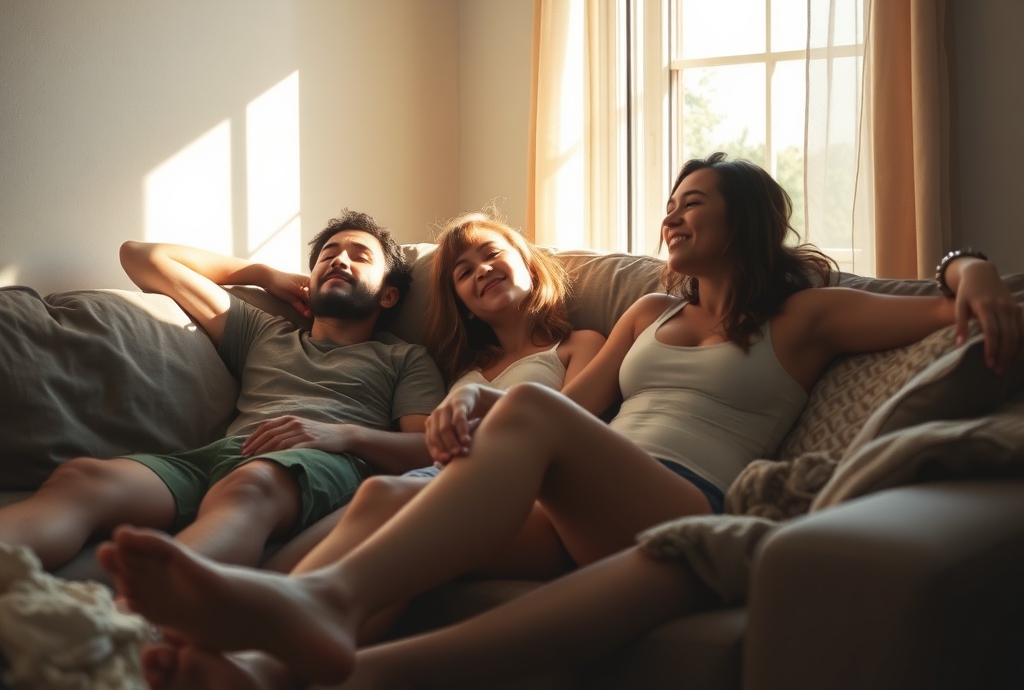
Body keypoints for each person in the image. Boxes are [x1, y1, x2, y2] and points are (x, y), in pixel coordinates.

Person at [97, 153, 1023, 690]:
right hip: (590, 501)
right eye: (670, 206)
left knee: (518, 414)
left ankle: (321, 604)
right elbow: (573, 414)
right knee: (381, 498)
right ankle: (258, 666)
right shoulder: (648, 312)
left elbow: (944, 305)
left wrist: (971, 266)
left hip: (681, 495)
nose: (671, 218)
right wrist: (475, 406)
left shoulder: (804, 314)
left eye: (692, 203)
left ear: (745, 219)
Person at [0, 209, 446, 571]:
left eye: (360, 256)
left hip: (320, 464)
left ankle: (131, 628)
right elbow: (139, 256)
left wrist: (342, 435)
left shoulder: (404, 358)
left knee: (249, 486)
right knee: (84, 478)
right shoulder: (263, 333)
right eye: (328, 254)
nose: (339, 260)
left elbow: (428, 450)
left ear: (388, 295)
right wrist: (264, 274)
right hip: (223, 456)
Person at [262, 210, 605, 575]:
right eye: (464, 273)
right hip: (440, 479)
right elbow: (429, 444)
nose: (482, 270)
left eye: (491, 254)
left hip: (510, 487)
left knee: (388, 499)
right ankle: (258, 591)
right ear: (464, 305)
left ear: (529, 264)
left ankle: (265, 595)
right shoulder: (461, 369)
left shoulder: (577, 345)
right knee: (375, 499)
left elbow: (570, 425)